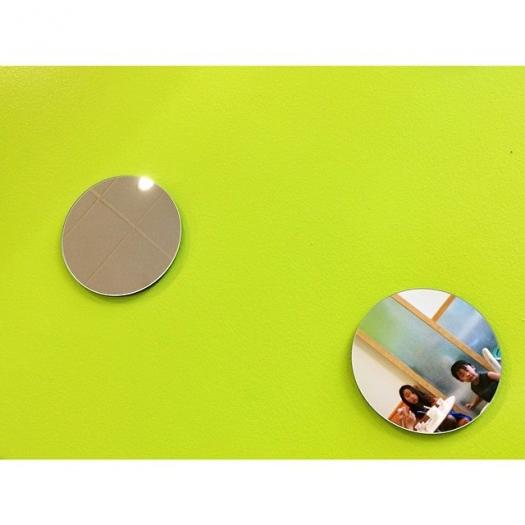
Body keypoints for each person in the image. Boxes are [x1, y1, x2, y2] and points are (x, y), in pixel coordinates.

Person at [398, 385, 471, 432]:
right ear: (405, 400)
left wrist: (436, 403)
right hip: (437, 426)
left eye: (413, 393)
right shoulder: (412, 412)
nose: (412, 396)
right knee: (450, 419)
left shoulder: (425, 398)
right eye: (408, 396)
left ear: (416, 392)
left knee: (464, 420)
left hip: (448, 415)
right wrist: (427, 416)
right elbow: (417, 425)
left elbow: (439, 403)